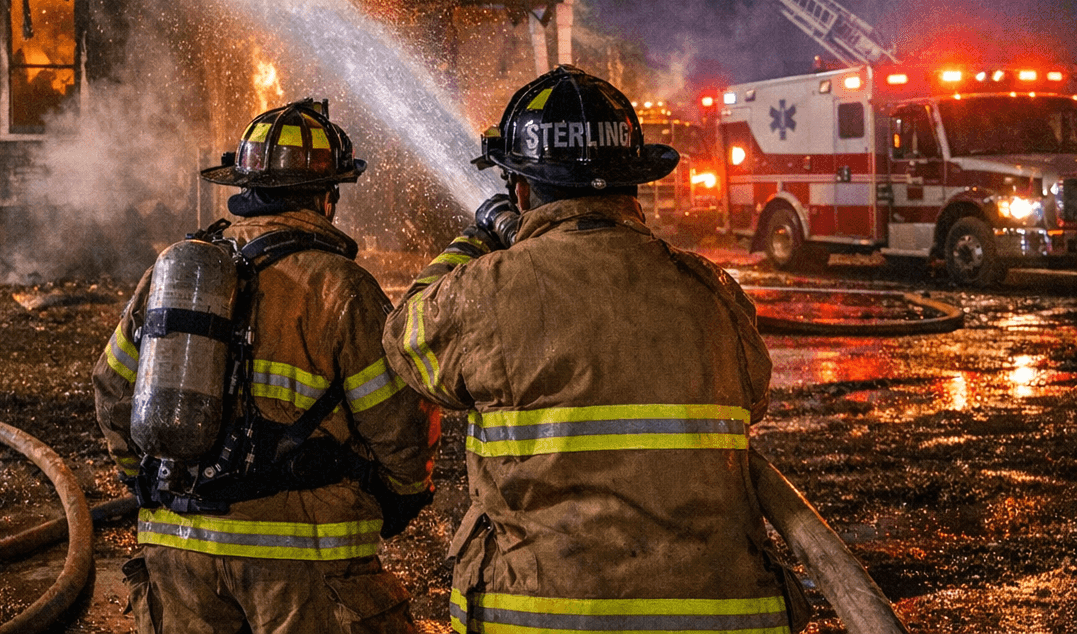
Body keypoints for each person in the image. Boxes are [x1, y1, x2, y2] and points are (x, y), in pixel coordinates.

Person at [383, 66, 809, 634]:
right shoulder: (712, 291)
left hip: (544, 619)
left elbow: (405, 342)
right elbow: (752, 399)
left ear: (521, 189)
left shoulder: (483, 290)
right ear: (634, 183)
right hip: (723, 617)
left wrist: (476, 240)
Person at [93, 98, 440, 634]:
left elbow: (112, 386)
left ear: (245, 189)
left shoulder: (175, 273)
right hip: (303, 562)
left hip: (177, 553)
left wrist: (144, 479)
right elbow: (399, 425)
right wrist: (402, 494)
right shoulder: (341, 289)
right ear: (327, 198)